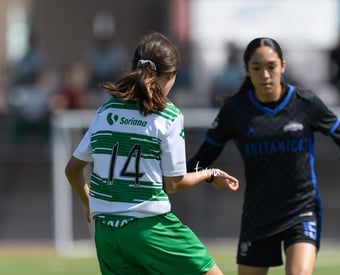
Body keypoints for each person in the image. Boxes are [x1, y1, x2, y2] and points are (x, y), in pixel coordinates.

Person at [187, 37, 340, 275]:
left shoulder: (305, 103)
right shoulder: (235, 111)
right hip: (258, 214)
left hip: (302, 209)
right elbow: (204, 156)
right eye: (257, 68)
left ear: (282, 66)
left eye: (271, 66)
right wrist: (172, 180)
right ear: (246, 69)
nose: (265, 74)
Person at [65, 31, 239, 275]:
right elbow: (175, 183)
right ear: (171, 75)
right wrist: (209, 174)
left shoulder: (106, 111)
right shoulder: (168, 116)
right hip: (150, 229)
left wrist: (87, 203)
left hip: (106, 233)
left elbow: (72, 169)